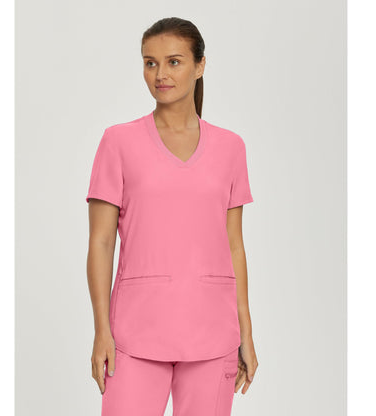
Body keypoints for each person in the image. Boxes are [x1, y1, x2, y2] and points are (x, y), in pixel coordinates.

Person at [86, 17, 259, 416]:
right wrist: (101, 330)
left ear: (200, 66)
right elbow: (101, 241)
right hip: (134, 333)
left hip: (213, 332)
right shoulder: (118, 141)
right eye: (150, 63)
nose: (160, 74)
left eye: (173, 62)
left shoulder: (231, 148)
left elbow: (234, 245)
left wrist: (245, 333)